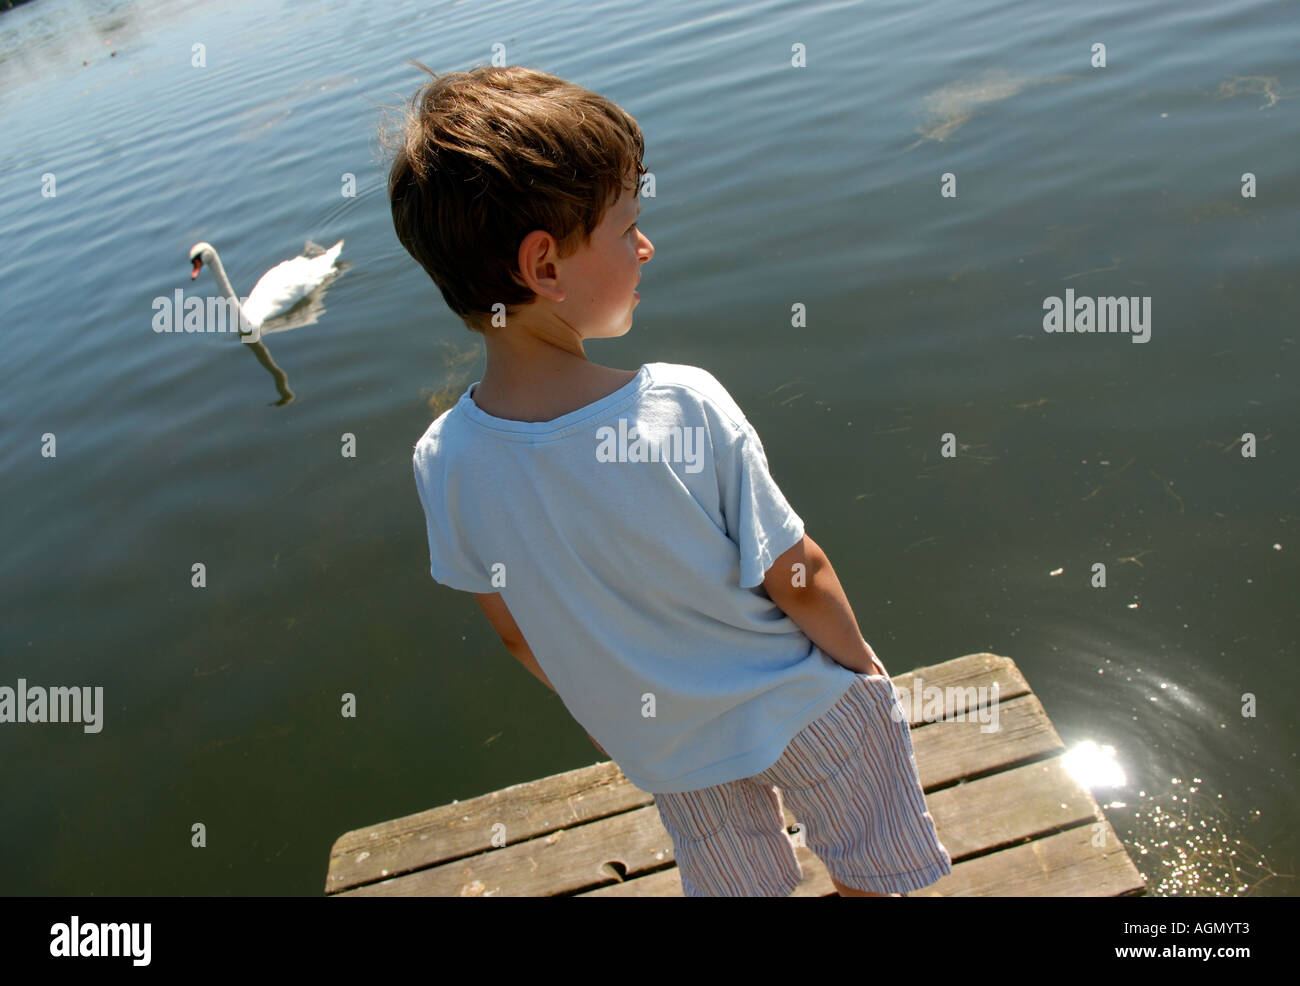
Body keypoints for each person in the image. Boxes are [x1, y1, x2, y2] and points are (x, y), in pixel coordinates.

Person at [386, 63, 951, 897]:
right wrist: (863, 667)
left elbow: (517, 633)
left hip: (673, 752)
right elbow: (796, 574)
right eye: (627, 229)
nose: (645, 246)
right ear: (544, 267)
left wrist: (627, 710)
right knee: (872, 863)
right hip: (805, 706)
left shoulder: (445, 461)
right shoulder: (680, 403)